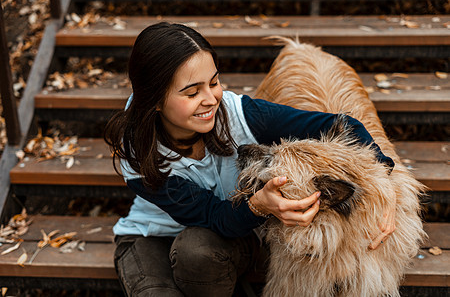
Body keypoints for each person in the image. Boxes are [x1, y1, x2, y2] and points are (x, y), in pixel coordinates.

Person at [104, 22, 395, 297]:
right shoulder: (137, 154)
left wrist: (384, 184)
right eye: (192, 92)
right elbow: (215, 214)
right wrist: (258, 204)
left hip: (224, 238)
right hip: (153, 235)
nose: (210, 99)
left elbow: (345, 126)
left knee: (197, 251)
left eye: (214, 82)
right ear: (154, 100)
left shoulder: (242, 114)